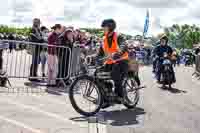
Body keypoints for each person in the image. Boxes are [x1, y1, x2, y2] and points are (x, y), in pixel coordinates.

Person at [97, 19, 129, 103]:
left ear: (110, 27)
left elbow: (123, 46)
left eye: (105, 28)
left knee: (115, 73)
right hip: (110, 63)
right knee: (98, 74)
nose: (103, 29)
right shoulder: (103, 39)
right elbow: (100, 53)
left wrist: (118, 53)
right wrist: (91, 57)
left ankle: (120, 96)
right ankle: (107, 93)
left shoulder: (119, 36)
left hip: (121, 61)